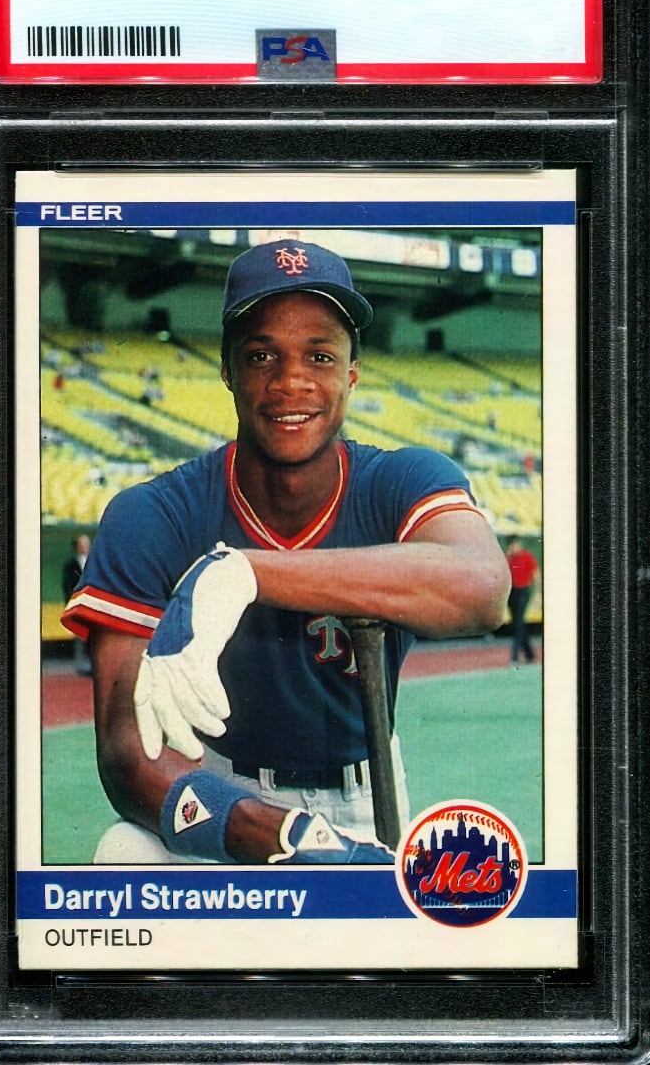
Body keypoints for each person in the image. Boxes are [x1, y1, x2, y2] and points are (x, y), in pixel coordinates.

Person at [61, 239, 510, 866]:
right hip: (215, 789)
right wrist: (286, 837)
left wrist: (243, 572)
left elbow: (483, 587)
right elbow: (127, 754)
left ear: (351, 373)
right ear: (228, 369)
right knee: (124, 853)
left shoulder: (404, 480)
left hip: (368, 791)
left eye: (320, 356)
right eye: (261, 355)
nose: (291, 381)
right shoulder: (155, 513)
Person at [505, 536, 539, 665]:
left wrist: (537, 594)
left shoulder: (527, 556)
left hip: (523, 591)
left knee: (518, 623)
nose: (516, 547)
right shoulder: (508, 558)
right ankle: (530, 656)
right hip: (512, 592)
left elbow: (536, 575)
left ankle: (514, 657)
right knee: (518, 624)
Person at [61, 534, 92, 674]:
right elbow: (67, 586)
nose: (86, 547)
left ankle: (94, 665)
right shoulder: (70, 565)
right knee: (79, 635)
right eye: (83, 544)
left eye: (87, 544)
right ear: (77, 547)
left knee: (94, 637)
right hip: (77, 604)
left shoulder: (95, 562)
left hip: (93, 605)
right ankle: (81, 666)